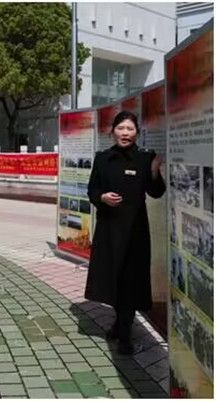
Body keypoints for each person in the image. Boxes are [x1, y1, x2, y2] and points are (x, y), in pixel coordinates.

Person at [84, 111, 165, 355]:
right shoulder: (102, 158)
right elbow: (92, 189)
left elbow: (156, 192)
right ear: (113, 132)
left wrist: (154, 171)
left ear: (137, 133)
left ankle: (125, 333)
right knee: (113, 280)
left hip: (135, 232)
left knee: (130, 281)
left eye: (130, 129)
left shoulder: (145, 158)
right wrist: (102, 197)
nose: (125, 133)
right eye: (121, 128)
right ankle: (119, 323)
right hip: (109, 230)